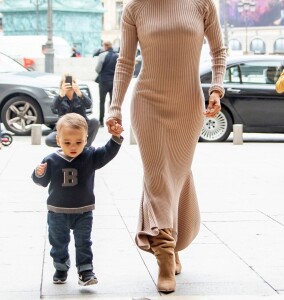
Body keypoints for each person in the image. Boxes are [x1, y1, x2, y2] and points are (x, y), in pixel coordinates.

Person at [106, 0, 226, 293]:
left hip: (187, 104)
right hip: (148, 102)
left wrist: (216, 88)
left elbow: (218, 51)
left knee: (178, 173)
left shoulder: (202, 4)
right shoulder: (135, 8)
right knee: (158, 174)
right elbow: (125, 61)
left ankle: (173, 240)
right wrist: (115, 107)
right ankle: (163, 253)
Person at [32, 113, 123, 286]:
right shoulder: (51, 160)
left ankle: (85, 271)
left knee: (84, 242)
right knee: (58, 242)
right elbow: (41, 182)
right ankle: (60, 268)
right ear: (58, 140)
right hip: (57, 211)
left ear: (86, 139)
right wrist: (39, 173)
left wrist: (116, 137)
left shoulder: (90, 156)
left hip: (84, 210)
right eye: (67, 142)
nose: (73, 146)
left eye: (79, 142)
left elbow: (107, 152)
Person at [45, 74, 100, 148]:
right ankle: (68, 146)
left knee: (95, 121)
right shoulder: (59, 97)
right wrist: (61, 95)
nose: (70, 84)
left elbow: (89, 104)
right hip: (64, 128)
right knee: (49, 140)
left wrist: (79, 93)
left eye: (73, 82)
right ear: (62, 85)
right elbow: (53, 108)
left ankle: (85, 147)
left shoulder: (80, 95)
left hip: (81, 127)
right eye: (67, 82)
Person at [95, 41, 118, 127]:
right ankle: (113, 121)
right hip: (113, 82)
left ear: (105, 46)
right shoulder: (117, 56)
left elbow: (97, 69)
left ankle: (101, 121)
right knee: (113, 103)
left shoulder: (102, 55)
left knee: (102, 101)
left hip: (104, 82)